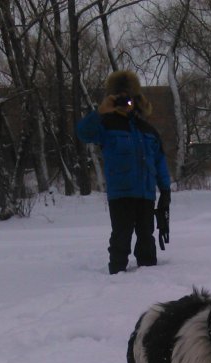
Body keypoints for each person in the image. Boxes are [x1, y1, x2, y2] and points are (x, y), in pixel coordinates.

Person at [76, 70, 171, 274]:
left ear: (136, 100)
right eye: (120, 99)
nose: (125, 103)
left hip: (146, 194)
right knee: (121, 237)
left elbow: (160, 161)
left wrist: (165, 190)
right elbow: (83, 133)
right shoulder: (105, 125)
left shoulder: (148, 129)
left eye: (129, 99)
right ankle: (116, 277)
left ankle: (150, 276)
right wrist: (100, 111)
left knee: (147, 237)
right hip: (121, 194)